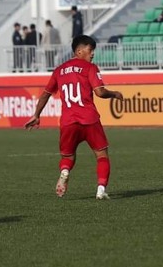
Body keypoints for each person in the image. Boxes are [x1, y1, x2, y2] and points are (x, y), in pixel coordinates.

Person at [24, 35, 123, 200]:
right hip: (89, 119)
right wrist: (115, 93)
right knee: (102, 156)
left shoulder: (59, 70)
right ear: (79, 51)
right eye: (90, 50)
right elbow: (100, 92)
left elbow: (45, 94)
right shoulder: (89, 68)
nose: (92, 54)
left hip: (68, 122)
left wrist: (36, 114)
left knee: (68, 157)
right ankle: (100, 190)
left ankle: (64, 172)